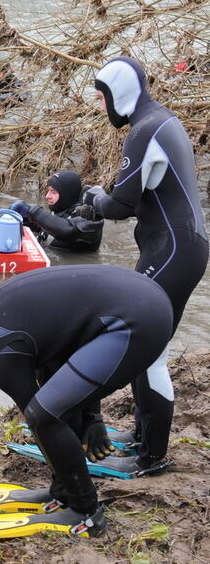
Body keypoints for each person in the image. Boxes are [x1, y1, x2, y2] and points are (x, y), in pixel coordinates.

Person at [0, 265, 175, 536]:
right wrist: (93, 419)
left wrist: (82, 427)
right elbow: (62, 372)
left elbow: (41, 418)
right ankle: (63, 494)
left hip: (135, 322)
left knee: (43, 417)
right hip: (149, 299)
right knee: (50, 406)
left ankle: (86, 511)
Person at [83, 56, 208, 463]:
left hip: (172, 248)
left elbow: (120, 204)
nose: (102, 107)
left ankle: (151, 456)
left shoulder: (143, 130)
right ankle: (142, 435)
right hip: (180, 246)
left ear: (118, 92)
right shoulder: (163, 120)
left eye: (102, 97)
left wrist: (94, 198)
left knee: (146, 346)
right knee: (144, 341)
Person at [9, 170, 103, 252]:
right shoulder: (62, 210)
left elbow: (66, 230)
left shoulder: (89, 219)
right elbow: (46, 229)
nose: (47, 196)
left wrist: (32, 212)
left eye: (53, 192)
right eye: (48, 191)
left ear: (67, 194)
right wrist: (24, 219)